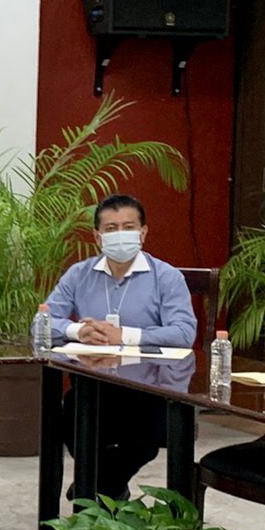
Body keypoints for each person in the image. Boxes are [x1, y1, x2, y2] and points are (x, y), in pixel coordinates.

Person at [45, 194, 196, 499]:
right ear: (98, 236)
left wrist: (123, 336)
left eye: (128, 226)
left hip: (150, 388)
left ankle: (96, 488)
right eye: (111, 228)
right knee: (72, 416)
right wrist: (79, 330)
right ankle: (109, 489)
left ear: (143, 232)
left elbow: (183, 333)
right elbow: (43, 321)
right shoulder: (79, 274)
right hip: (93, 385)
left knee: (146, 438)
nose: (120, 234)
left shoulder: (166, 276)